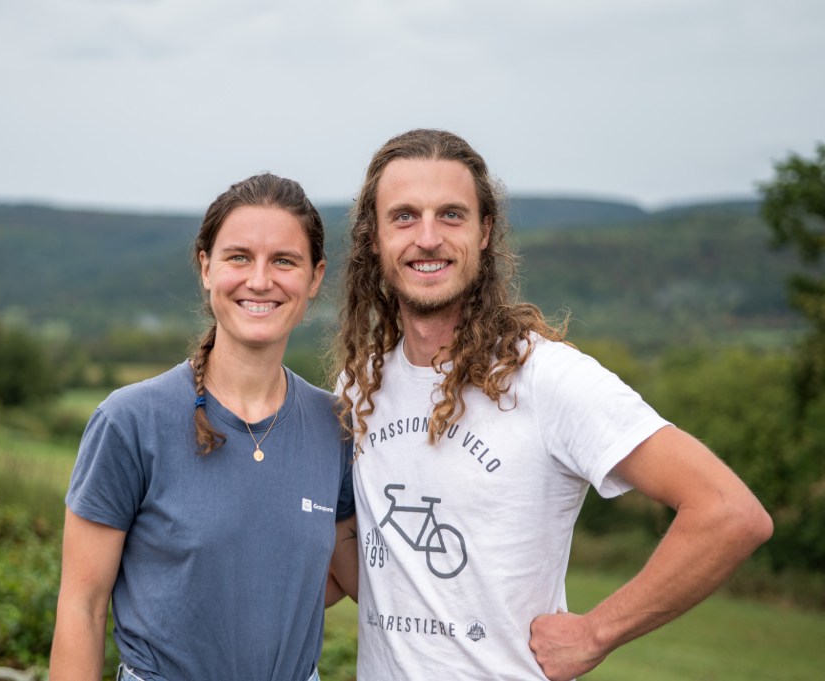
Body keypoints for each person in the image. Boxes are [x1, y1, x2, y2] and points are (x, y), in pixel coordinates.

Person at [330, 128, 773, 681]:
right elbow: (362, 561)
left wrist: (597, 633)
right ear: (374, 238)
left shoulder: (546, 378)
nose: (427, 237)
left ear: (484, 231)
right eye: (403, 216)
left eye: (451, 215)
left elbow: (729, 512)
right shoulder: (362, 384)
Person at [50, 173, 355, 681]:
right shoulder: (129, 422)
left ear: (315, 278)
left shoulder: (335, 427)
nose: (260, 280)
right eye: (239, 257)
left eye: (284, 260)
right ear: (205, 267)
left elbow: (351, 574)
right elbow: (82, 606)